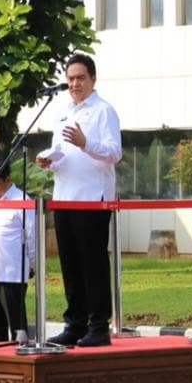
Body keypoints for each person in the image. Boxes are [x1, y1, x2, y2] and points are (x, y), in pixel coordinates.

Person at [38, 54, 122, 348]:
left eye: (81, 78)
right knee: (70, 265)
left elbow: (114, 153)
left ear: (93, 79)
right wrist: (49, 161)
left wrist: (86, 143)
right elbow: (61, 153)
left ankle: (99, 327)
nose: (75, 84)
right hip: (64, 198)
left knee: (92, 264)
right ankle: (75, 324)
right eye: (71, 78)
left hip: (92, 199)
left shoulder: (103, 111)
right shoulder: (62, 113)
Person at [0, 159, 37, 343]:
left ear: (7, 179)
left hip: (12, 273)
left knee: (17, 328)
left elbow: (32, 236)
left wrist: (32, 264)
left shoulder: (22, 200)